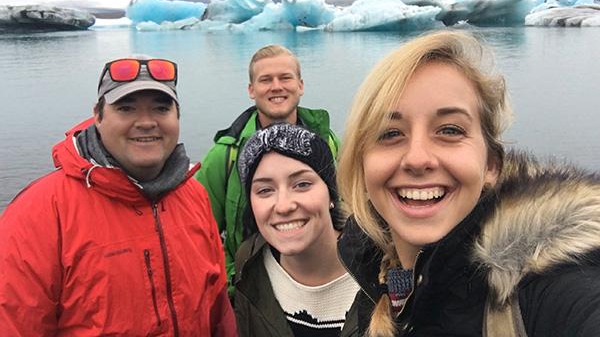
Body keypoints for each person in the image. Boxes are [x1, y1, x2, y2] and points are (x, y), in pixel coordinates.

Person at [336, 31, 600, 336]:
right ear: (363, 165)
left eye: (449, 130)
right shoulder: (374, 279)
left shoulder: (554, 289)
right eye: (390, 133)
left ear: (491, 165)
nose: (418, 158)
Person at [0, 57, 237, 336]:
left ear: (177, 117)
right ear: (98, 116)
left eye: (161, 108)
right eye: (126, 108)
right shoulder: (39, 213)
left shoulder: (194, 195)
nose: (147, 122)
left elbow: (218, 310)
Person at [196, 44, 340, 291]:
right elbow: (199, 232)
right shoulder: (225, 155)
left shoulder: (327, 142)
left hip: (318, 282)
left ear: (300, 85)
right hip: (250, 290)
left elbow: (343, 210)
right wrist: (233, 281)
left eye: (285, 77)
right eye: (265, 80)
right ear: (251, 90)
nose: (276, 86)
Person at [234, 123, 359, 336]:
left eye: (301, 184)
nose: (284, 206)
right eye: (265, 190)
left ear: (330, 195)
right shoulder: (249, 264)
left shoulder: (383, 271)